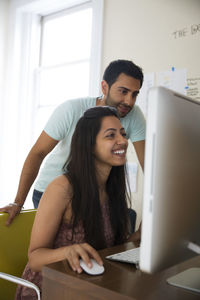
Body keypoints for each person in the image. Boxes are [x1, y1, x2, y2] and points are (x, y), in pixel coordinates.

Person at [0, 59, 145, 228]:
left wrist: (149, 220)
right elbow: (38, 153)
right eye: (123, 91)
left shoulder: (134, 116)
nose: (129, 101)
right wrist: (18, 202)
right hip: (52, 191)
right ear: (104, 87)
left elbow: (149, 168)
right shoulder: (71, 110)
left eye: (135, 94)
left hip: (91, 192)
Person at [15, 106, 137, 300]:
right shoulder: (63, 188)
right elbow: (35, 258)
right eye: (110, 135)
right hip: (51, 289)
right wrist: (67, 251)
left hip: (89, 285)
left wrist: (145, 234)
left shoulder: (112, 189)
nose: (122, 140)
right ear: (89, 145)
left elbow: (114, 248)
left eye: (122, 134)